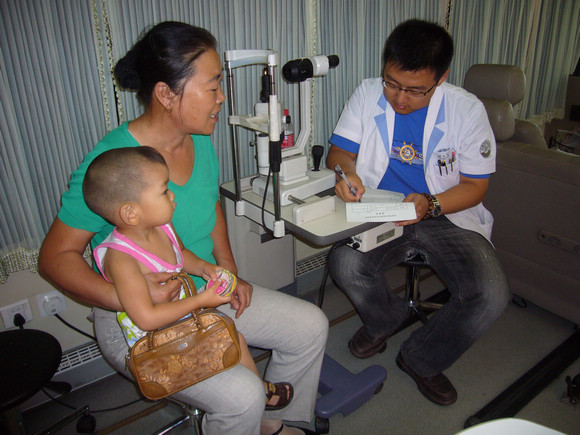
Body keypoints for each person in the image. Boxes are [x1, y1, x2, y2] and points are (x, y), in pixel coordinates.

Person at [39, 21, 328, 435]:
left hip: (202, 289)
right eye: (212, 87)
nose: (221, 97)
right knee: (242, 394)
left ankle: (273, 425)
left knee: (310, 326)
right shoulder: (113, 165)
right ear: (166, 94)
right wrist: (126, 297)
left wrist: (229, 270)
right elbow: (54, 258)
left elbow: (211, 211)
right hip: (136, 319)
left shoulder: (200, 140)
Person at [326, 19, 510, 406]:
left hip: (445, 214)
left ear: (441, 78)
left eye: (414, 90)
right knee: (344, 264)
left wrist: (432, 203)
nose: (399, 99)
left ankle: (420, 358)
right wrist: (347, 173)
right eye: (392, 83)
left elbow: (475, 187)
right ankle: (385, 320)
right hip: (381, 209)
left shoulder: (466, 110)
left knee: (490, 295)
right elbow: (339, 153)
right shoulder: (367, 94)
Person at [83, 146, 293, 410]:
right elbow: (146, 318)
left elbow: (180, 253)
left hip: (179, 321)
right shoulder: (121, 260)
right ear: (131, 213)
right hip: (156, 345)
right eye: (164, 191)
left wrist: (206, 268)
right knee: (227, 345)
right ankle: (256, 398)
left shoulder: (162, 226)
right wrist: (201, 301)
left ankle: (260, 395)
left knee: (234, 338)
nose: (172, 195)